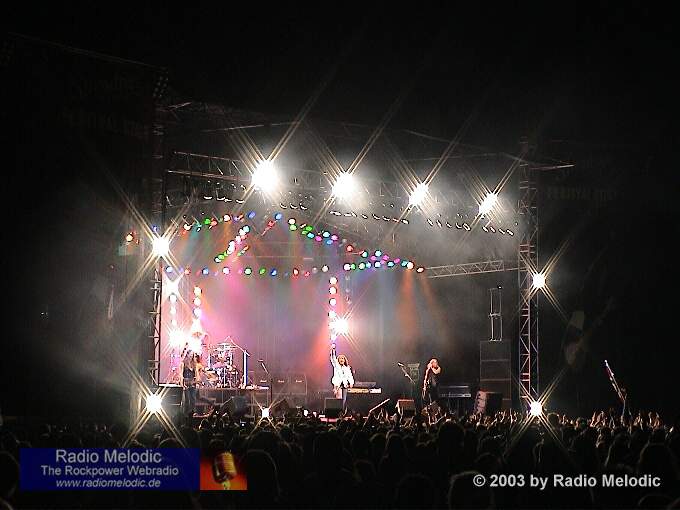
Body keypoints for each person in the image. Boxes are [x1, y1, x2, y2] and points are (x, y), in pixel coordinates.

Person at [330, 343, 354, 410]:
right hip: (338, 385)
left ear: (344, 360)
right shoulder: (336, 366)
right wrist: (332, 349)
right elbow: (333, 358)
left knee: (344, 401)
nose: (341, 359)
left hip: (344, 385)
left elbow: (350, 376)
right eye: (340, 358)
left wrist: (351, 382)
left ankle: (342, 411)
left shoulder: (347, 368)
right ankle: (338, 412)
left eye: (343, 358)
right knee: (339, 399)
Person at [180, 344, 199, 417]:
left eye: (192, 356)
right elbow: (181, 374)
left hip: (193, 383)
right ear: (187, 355)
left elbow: (196, 373)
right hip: (186, 383)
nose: (191, 357)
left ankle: (192, 413)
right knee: (187, 399)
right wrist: (182, 384)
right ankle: (186, 414)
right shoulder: (183, 363)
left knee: (193, 399)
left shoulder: (194, 364)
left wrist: (197, 382)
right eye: (190, 355)